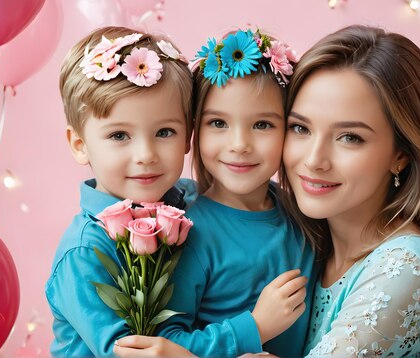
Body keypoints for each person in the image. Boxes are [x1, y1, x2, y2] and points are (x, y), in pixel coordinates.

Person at [279, 25, 420, 356]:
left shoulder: (409, 264)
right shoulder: (305, 250)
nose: (314, 160)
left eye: (349, 137)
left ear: (401, 154)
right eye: (300, 128)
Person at [115, 28, 316, 357]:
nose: (239, 145)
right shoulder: (188, 233)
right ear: (193, 131)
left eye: (262, 124)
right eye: (218, 123)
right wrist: (255, 325)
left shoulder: (299, 208)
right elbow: (164, 345)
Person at [45, 26, 195, 356]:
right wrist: (247, 332)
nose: (146, 154)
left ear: (188, 136)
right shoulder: (84, 253)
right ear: (80, 144)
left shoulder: (192, 202)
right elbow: (135, 352)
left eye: (165, 131)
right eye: (119, 136)